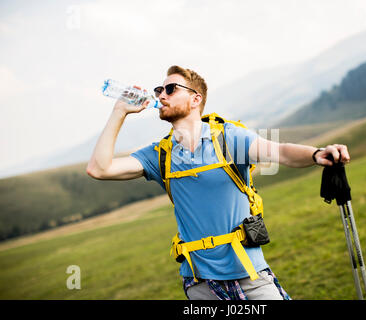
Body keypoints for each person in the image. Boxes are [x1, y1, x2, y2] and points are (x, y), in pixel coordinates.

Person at [86, 65, 350, 300]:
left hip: (250, 276)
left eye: (170, 88)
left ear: (195, 99)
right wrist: (119, 111)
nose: (161, 95)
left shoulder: (228, 138)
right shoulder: (159, 155)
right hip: (199, 285)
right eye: (159, 90)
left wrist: (316, 154)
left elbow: (279, 151)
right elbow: (99, 168)